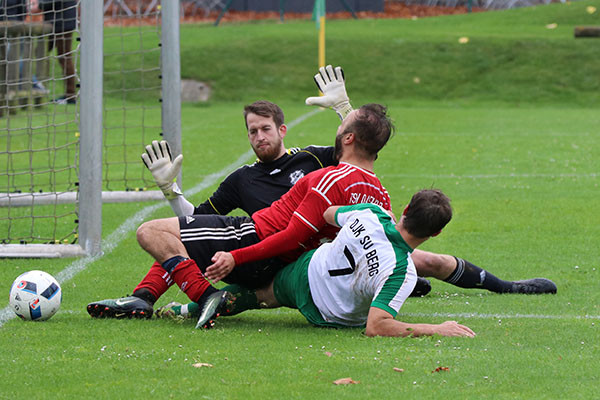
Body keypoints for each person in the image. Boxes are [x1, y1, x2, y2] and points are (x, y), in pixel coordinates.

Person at [220, 190, 476, 338]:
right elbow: (376, 326)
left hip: (304, 273)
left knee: (258, 295)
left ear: (406, 209)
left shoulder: (372, 213)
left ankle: (187, 309)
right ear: (436, 233)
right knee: (261, 296)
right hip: (325, 312)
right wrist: (436, 329)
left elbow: (328, 214)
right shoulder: (402, 272)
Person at [32, 0, 77, 104]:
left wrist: (39, 5)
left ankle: (70, 95)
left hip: (62, 23)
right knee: (40, 52)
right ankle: (39, 82)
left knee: (64, 57)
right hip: (55, 23)